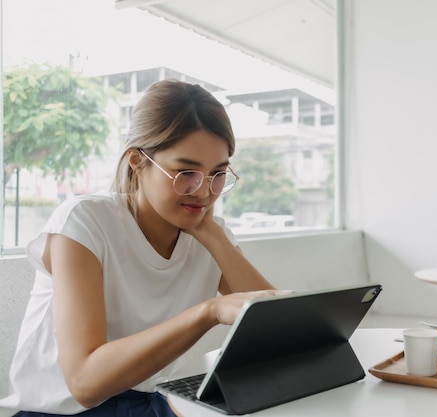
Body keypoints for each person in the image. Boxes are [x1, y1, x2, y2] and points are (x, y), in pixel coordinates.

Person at [0, 79, 283, 416]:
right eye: (187, 172)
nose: (205, 192)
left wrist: (214, 236)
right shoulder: (84, 222)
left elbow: (284, 330)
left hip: (148, 406)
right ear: (137, 160)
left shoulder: (209, 233)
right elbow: (85, 383)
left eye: (218, 174)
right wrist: (208, 312)